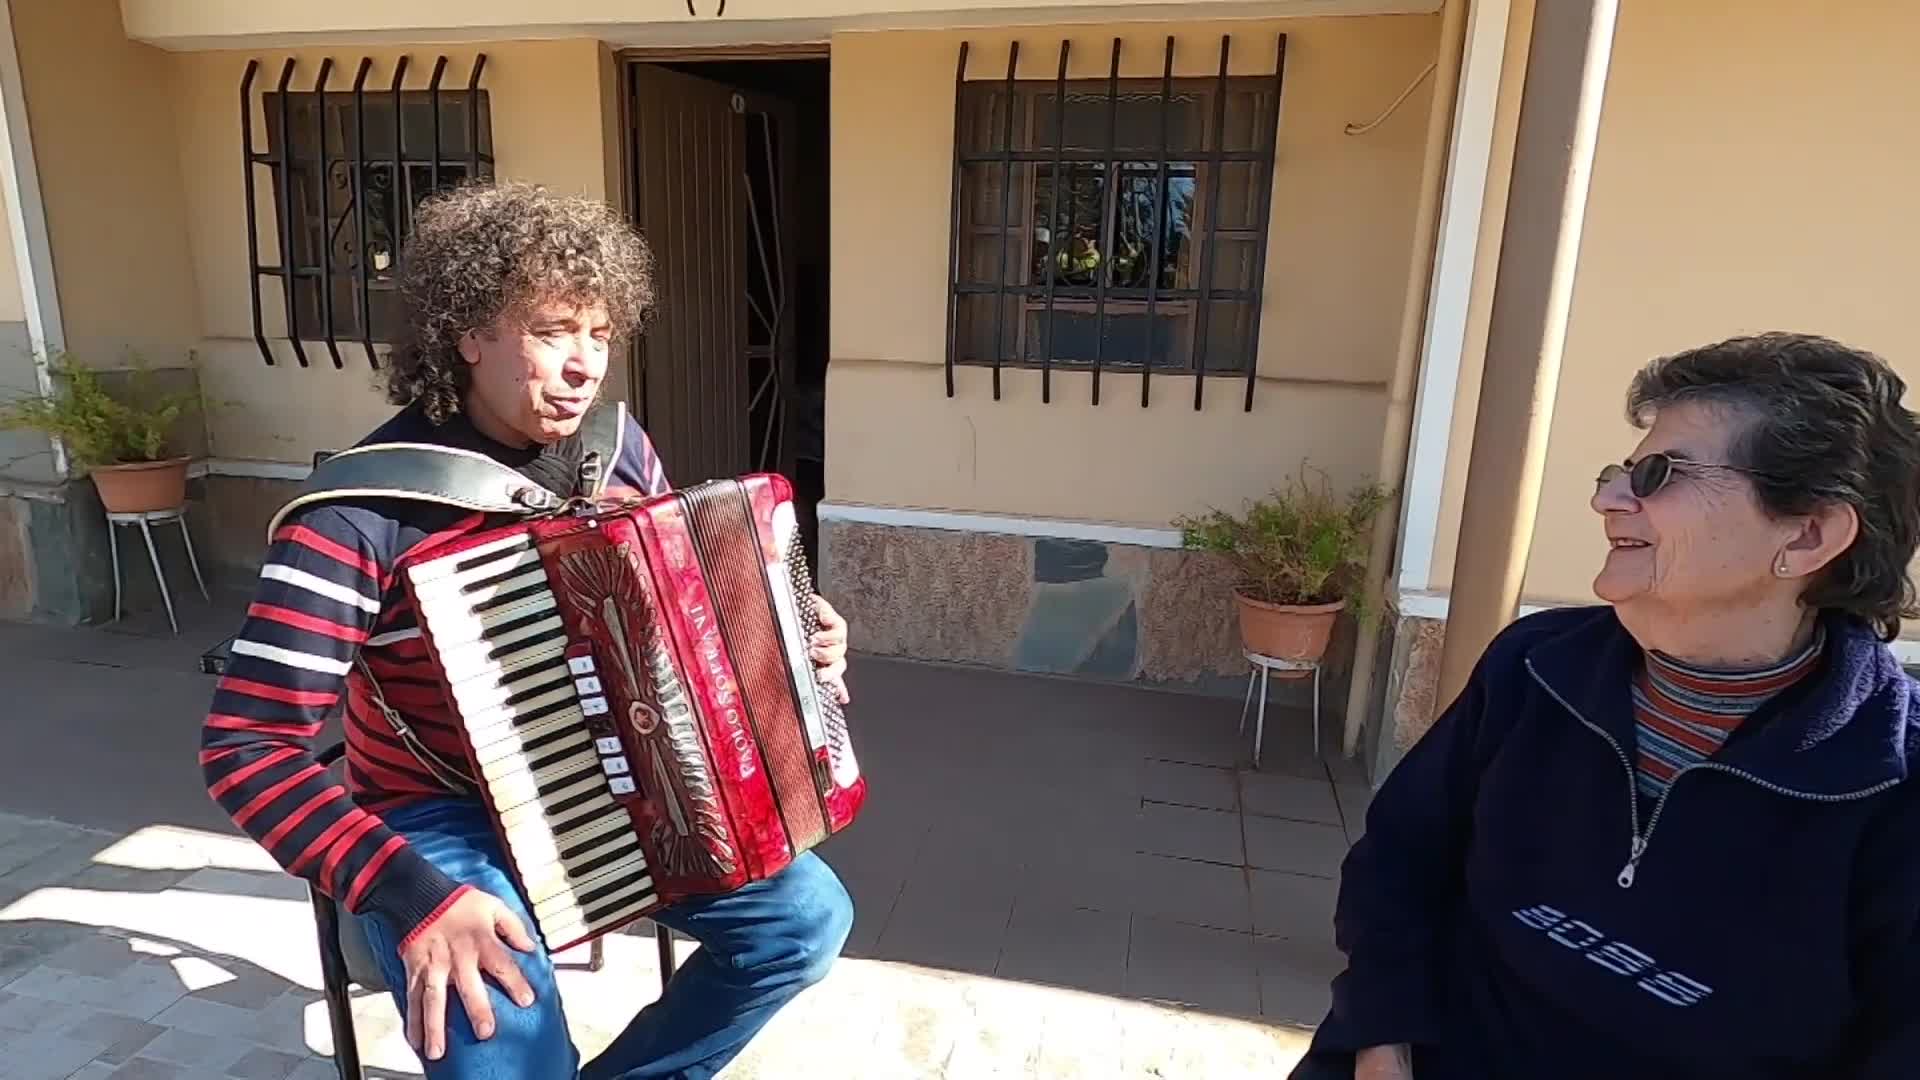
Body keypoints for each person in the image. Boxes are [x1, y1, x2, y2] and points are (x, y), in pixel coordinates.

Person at [200, 180, 854, 1079]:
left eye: (600, 335)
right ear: (469, 334)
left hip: (615, 787)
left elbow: (675, 617)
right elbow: (247, 748)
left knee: (806, 920)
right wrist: (415, 897)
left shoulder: (615, 452)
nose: (585, 366)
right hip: (439, 816)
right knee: (505, 1041)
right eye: (552, 332)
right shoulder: (361, 514)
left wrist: (789, 640)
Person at [1293, 332, 1920, 1079]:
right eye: (1621, 471)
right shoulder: (1536, 667)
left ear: (1810, 534)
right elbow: (1397, 863)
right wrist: (1381, 1041)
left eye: (1658, 474)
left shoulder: (1892, 783)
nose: (1605, 499)